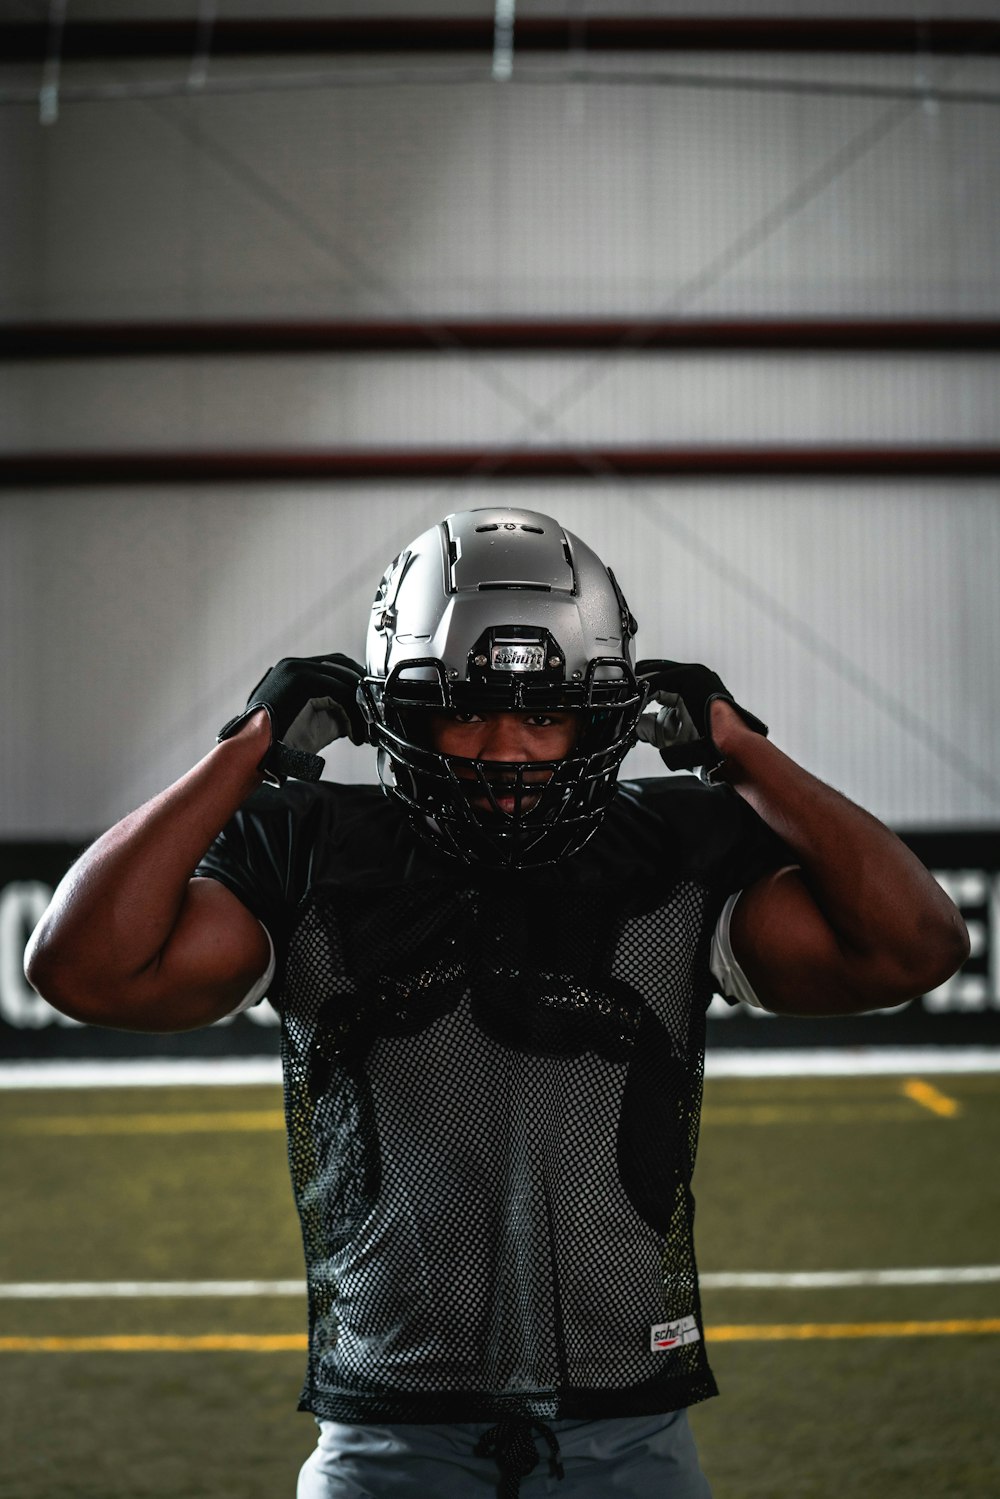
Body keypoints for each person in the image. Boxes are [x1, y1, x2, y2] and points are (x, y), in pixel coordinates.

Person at [25, 507, 968, 1499]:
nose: (507, 749)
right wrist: (246, 751)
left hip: (629, 1433)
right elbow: (82, 966)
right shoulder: (312, 853)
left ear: (597, 714)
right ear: (404, 707)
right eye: (466, 709)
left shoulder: (674, 857)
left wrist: (738, 750)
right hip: (388, 1440)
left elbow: (917, 943)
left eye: (543, 712)